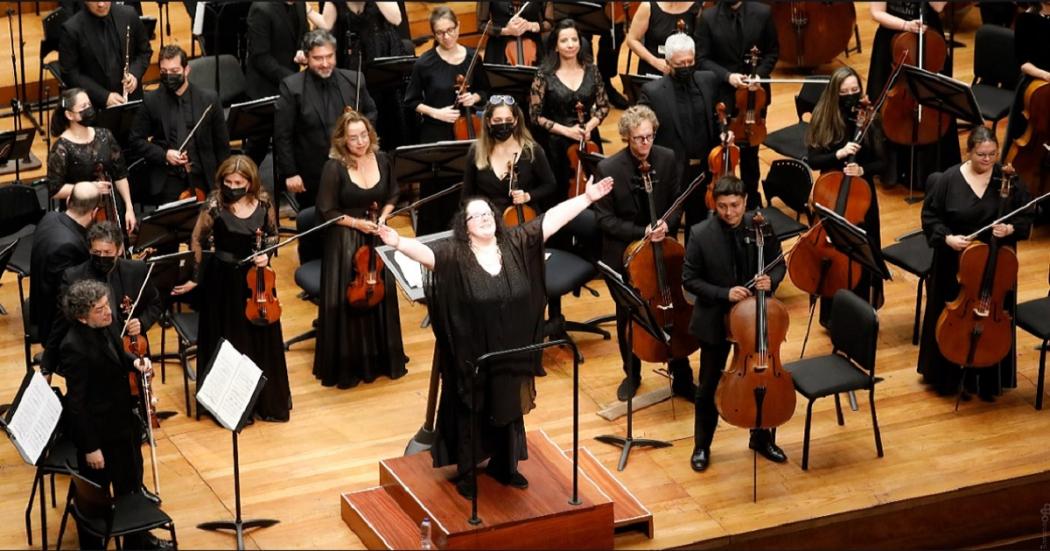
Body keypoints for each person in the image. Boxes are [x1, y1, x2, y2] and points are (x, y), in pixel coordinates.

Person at [376, 174, 614, 499]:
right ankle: (468, 472)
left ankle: (505, 465)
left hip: (511, 345)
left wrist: (585, 199)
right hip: (473, 350)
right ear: (465, 225)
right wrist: (398, 241)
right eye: (477, 216)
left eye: (488, 213)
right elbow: (426, 255)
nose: (485, 219)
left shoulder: (516, 243)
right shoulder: (455, 254)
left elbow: (551, 220)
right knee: (472, 408)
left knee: (508, 403)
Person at [172, 155, 291, 423]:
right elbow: (197, 239)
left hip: (256, 282)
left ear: (250, 182)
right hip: (223, 282)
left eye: (238, 182)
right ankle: (233, 406)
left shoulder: (262, 200)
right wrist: (195, 276)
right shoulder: (215, 203)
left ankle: (264, 401)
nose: (232, 186)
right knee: (232, 343)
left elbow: (273, 235)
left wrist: (267, 255)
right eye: (228, 181)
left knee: (260, 339)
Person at [682, 175, 787, 472]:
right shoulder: (700, 233)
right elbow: (690, 280)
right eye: (723, 206)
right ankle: (702, 445)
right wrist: (723, 293)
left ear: (745, 202)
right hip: (716, 319)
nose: (729, 213)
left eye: (735, 206)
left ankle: (761, 436)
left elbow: (778, 262)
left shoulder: (761, 226)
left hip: (755, 321)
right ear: (714, 204)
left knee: (761, 379)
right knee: (707, 387)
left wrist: (772, 280)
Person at [918, 127, 1031, 401]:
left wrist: (1010, 230)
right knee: (951, 317)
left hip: (995, 264)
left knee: (995, 314)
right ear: (968, 152)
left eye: (992, 154)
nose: (988, 160)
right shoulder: (948, 180)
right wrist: (948, 238)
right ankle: (947, 376)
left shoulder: (1008, 181)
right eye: (981, 154)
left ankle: (987, 379)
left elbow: (1025, 216)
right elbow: (930, 216)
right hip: (955, 264)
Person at [60, 280, 171, 550]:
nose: (108, 311)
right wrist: (91, 447)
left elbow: (117, 353)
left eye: (106, 304)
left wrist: (135, 362)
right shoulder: (73, 347)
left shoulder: (107, 323)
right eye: (99, 309)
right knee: (95, 500)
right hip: (99, 434)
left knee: (131, 487)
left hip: (123, 423)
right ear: (82, 317)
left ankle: (139, 541)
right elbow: (77, 404)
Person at [593, 105, 692, 401]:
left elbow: (676, 203)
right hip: (625, 254)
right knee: (628, 314)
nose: (644, 144)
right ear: (626, 137)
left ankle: (681, 371)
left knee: (671, 305)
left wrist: (666, 223)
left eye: (649, 137)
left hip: (662, 248)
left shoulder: (667, 158)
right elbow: (604, 220)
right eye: (638, 138)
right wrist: (642, 233)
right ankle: (632, 373)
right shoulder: (608, 169)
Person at [314, 109, 407, 389]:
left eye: (364, 135)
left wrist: (383, 217)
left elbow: (393, 193)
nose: (360, 142)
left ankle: (381, 358)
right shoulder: (334, 167)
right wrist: (357, 223)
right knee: (351, 299)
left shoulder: (381, 158)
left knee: (379, 294)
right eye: (353, 138)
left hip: (376, 236)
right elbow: (326, 210)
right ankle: (348, 364)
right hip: (345, 241)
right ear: (342, 140)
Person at [804, 66, 887, 314]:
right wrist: (838, 155)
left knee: (862, 251)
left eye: (855, 90)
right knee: (832, 255)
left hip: (861, 197)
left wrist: (863, 170)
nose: (851, 95)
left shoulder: (869, 116)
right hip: (830, 194)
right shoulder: (824, 117)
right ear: (834, 93)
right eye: (845, 91)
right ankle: (831, 313)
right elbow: (814, 160)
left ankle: (860, 311)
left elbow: (883, 162)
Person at [404, 6, 489, 234]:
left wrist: (475, 97)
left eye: (451, 30)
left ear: (458, 26)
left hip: (468, 132)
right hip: (436, 133)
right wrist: (436, 112)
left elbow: (485, 91)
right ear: (434, 33)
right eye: (440, 32)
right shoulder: (424, 62)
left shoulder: (473, 57)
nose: (447, 36)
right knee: (436, 195)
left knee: (469, 188)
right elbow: (411, 102)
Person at [274, 29, 378, 211]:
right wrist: (290, 173)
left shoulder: (354, 80)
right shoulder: (292, 87)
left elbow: (371, 113)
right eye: (318, 58)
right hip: (313, 175)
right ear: (306, 58)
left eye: (329, 56)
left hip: (355, 168)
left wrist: (362, 141)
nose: (325, 63)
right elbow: (283, 134)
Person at [50, 221, 162, 381]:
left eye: (107, 252)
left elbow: (155, 304)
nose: (101, 257)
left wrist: (142, 322)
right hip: (92, 356)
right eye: (96, 252)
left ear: (119, 249)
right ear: (89, 249)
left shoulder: (137, 270)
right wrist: (48, 366)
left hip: (132, 350)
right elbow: (62, 322)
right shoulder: (73, 277)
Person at [695, 0, 778, 211]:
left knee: (751, 150)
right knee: (723, 152)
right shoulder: (708, 17)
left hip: (754, 97)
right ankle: (724, 202)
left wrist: (758, 75)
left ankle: (752, 198)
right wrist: (727, 76)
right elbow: (702, 59)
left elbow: (772, 52)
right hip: (725, 95)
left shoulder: (763, 12)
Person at [868, 2, 960, 190]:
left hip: (929, 40)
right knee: (891, 103)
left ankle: (927, 171)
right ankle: (891, 169)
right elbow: (876, 13)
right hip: (893, 39)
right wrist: (905, 25)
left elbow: (939, 7)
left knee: (932, 100)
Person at [638, 32, 720, 235]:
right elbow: (640, 128)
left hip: (704, 169)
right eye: (679, 63)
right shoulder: (653, 91)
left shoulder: (708, 80)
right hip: (672, 172)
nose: (685, 67)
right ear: (668, 62)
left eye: (689, 62)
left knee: (699, 224)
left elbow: (718, 116)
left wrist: (724, 133)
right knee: (668, 225)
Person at [128, 45, 230, 207]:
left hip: (203, 175)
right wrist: (164, 155)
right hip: (169, 178)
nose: (169, 76)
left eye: (174, 71)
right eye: (164, 72)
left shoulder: (208, 99)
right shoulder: (151, 101)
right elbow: (135, 141)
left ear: (186, 70)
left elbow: (222, 145)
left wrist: (225, 180)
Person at [309, 2, 413, 150]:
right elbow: (326, 24)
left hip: (384, 53)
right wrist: (308, 11)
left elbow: (396, 18)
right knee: (362, 107)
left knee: (392, 108)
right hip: (355, 60)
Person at [530, 19, 610, 199]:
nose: (570, 45)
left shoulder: (592, 70)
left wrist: (588, 127)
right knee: (560, 194)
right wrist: (567, 131)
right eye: (564, 40)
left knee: (595, 188)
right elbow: (535, 116)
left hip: (589, 139)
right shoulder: (543, 75)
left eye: (574, 40)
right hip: (557, 143)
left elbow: (603, 105)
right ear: (556, 46)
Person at [47, 87, 136, 232]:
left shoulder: (105, 135)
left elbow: (120, 174)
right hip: (80, 212)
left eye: (89, 104)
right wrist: (90, 188)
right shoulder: (61, 148)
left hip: (111, 206)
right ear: (69, 115)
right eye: (83, 107)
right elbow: (55, 189)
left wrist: (129, 208)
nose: (89, 109)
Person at [32, 182, 97, 375]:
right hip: (55, 326)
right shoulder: (70, 246)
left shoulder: (49, 218)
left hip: (40, 303)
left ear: (69, 200)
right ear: (93, 213)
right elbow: (67, 304)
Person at [461, 96, 556, 215]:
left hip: (525, 219)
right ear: (488, 122)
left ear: (516, 120)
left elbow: (550, 185)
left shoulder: (532, 150)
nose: (503, 124)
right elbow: (466, 196)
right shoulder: (476, 151)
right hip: (490, 221)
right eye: (497, 120)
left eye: (508, 119)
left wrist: (528, 196)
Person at [59, 0, 152, 108]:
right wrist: (104, 96)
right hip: (95, 106)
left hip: (132, 101)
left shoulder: (129, 15)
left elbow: (144, 51)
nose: (101, 4)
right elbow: (70, 73)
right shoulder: (71, 29)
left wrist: (134, 73)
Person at [1002, 2, 1050, 184]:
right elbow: (1023, 63)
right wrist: (1046, 75)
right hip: (1034, 82)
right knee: (1027, 135)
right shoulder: (1025, 20)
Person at [245, 1, 308, 101]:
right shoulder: (261, 8)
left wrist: (304, 51)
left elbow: (304, 35)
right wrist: (293, 79)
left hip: (290, 85)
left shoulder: (300, 4)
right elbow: (260, 57)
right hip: (266, 90)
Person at [626, 1, 703, 77]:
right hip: (654, 68)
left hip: (686, 70)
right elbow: (632, 40)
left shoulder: (696, 6)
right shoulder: (648, 6)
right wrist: (655, 61)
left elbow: (700, 42)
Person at [476, 1, 552, 67]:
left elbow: (550, 23)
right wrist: (506, 31)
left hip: (534, 48)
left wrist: (530, 25)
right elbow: (481, 25)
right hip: (499, 50)